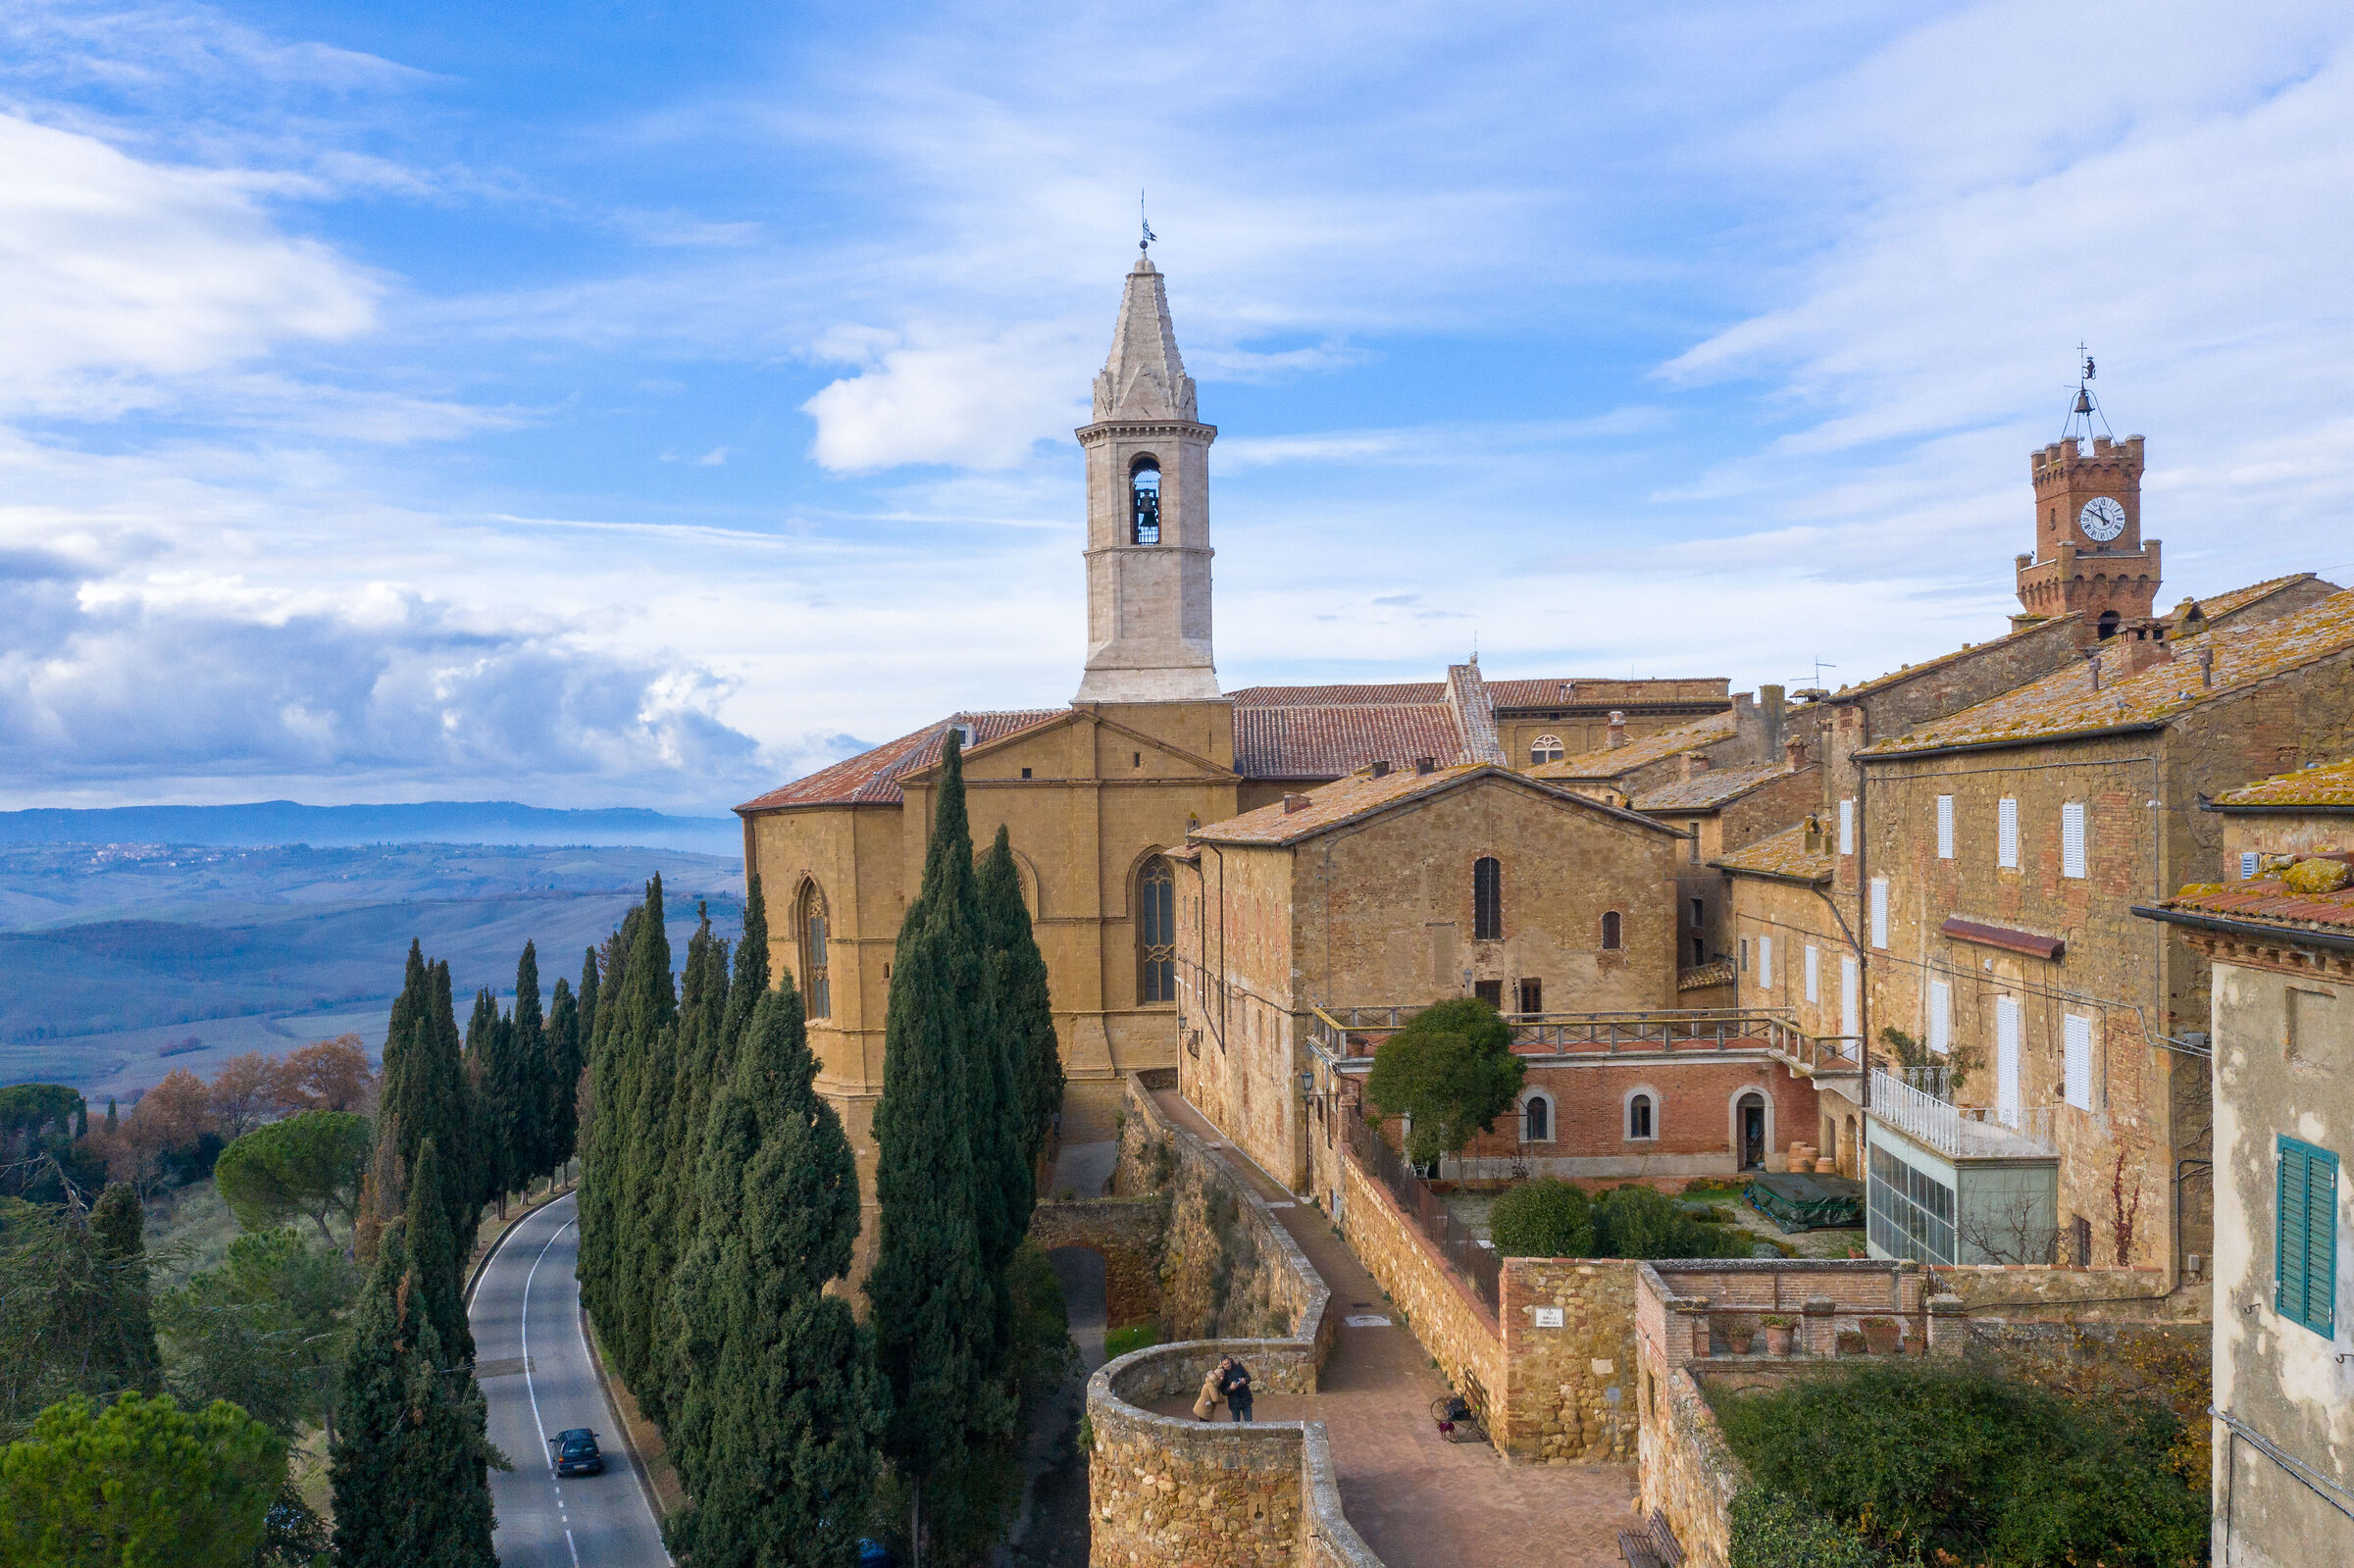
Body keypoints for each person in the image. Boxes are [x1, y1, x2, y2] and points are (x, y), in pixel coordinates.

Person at [1218, 1357, 1253, 1422]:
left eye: (1228, 1363)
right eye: (1225, 1364)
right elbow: (1223, 1391)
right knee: (1236, 1423)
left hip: (1246, 1399)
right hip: (1234, 1402)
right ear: (1222, 1365)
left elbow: (1249, 1378)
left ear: (1230, 1361)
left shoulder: (1238, 1367)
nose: (1227, 1365)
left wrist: (1244, 1380)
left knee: (1249, 1422)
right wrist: (1230, 1388)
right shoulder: (1222, 1374)